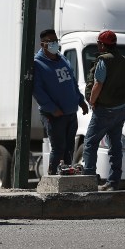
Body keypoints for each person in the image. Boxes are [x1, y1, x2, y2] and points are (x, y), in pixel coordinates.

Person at [33, 29, 89, 175]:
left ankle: (66, 177)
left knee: (69, 149)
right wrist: (52, 109)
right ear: (43, 44)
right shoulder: (38, 64)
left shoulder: (62, 59)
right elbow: (38, 91)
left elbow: (72, 83)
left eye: (55, 41)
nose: (54, 44)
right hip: (54, 115)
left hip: (70, 113)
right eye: (51, 41)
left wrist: (80, 100)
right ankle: (52, 178)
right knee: (58, 148)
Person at [82, 30, 125, 191]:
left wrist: (92, 101)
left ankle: (88, 178)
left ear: (102, 45)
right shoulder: (124, 61)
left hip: (105, 110)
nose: (98, 46)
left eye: (98, 43)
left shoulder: (104, 61)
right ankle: (113, 182)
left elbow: (98, 84)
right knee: (115, 146)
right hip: (121, 109)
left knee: (90, 142)